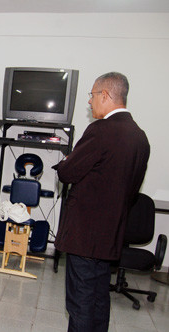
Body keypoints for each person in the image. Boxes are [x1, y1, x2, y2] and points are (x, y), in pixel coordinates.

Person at [53, 72, 150, 332]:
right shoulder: (140, 137)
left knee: (81, 304)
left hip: (84, 237)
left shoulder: (101, 130)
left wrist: (65, 162)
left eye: (92, 95)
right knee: (98, 301)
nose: (90, 101)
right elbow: (131, 193)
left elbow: (67, 172)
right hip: (110, 237)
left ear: (105, 95)